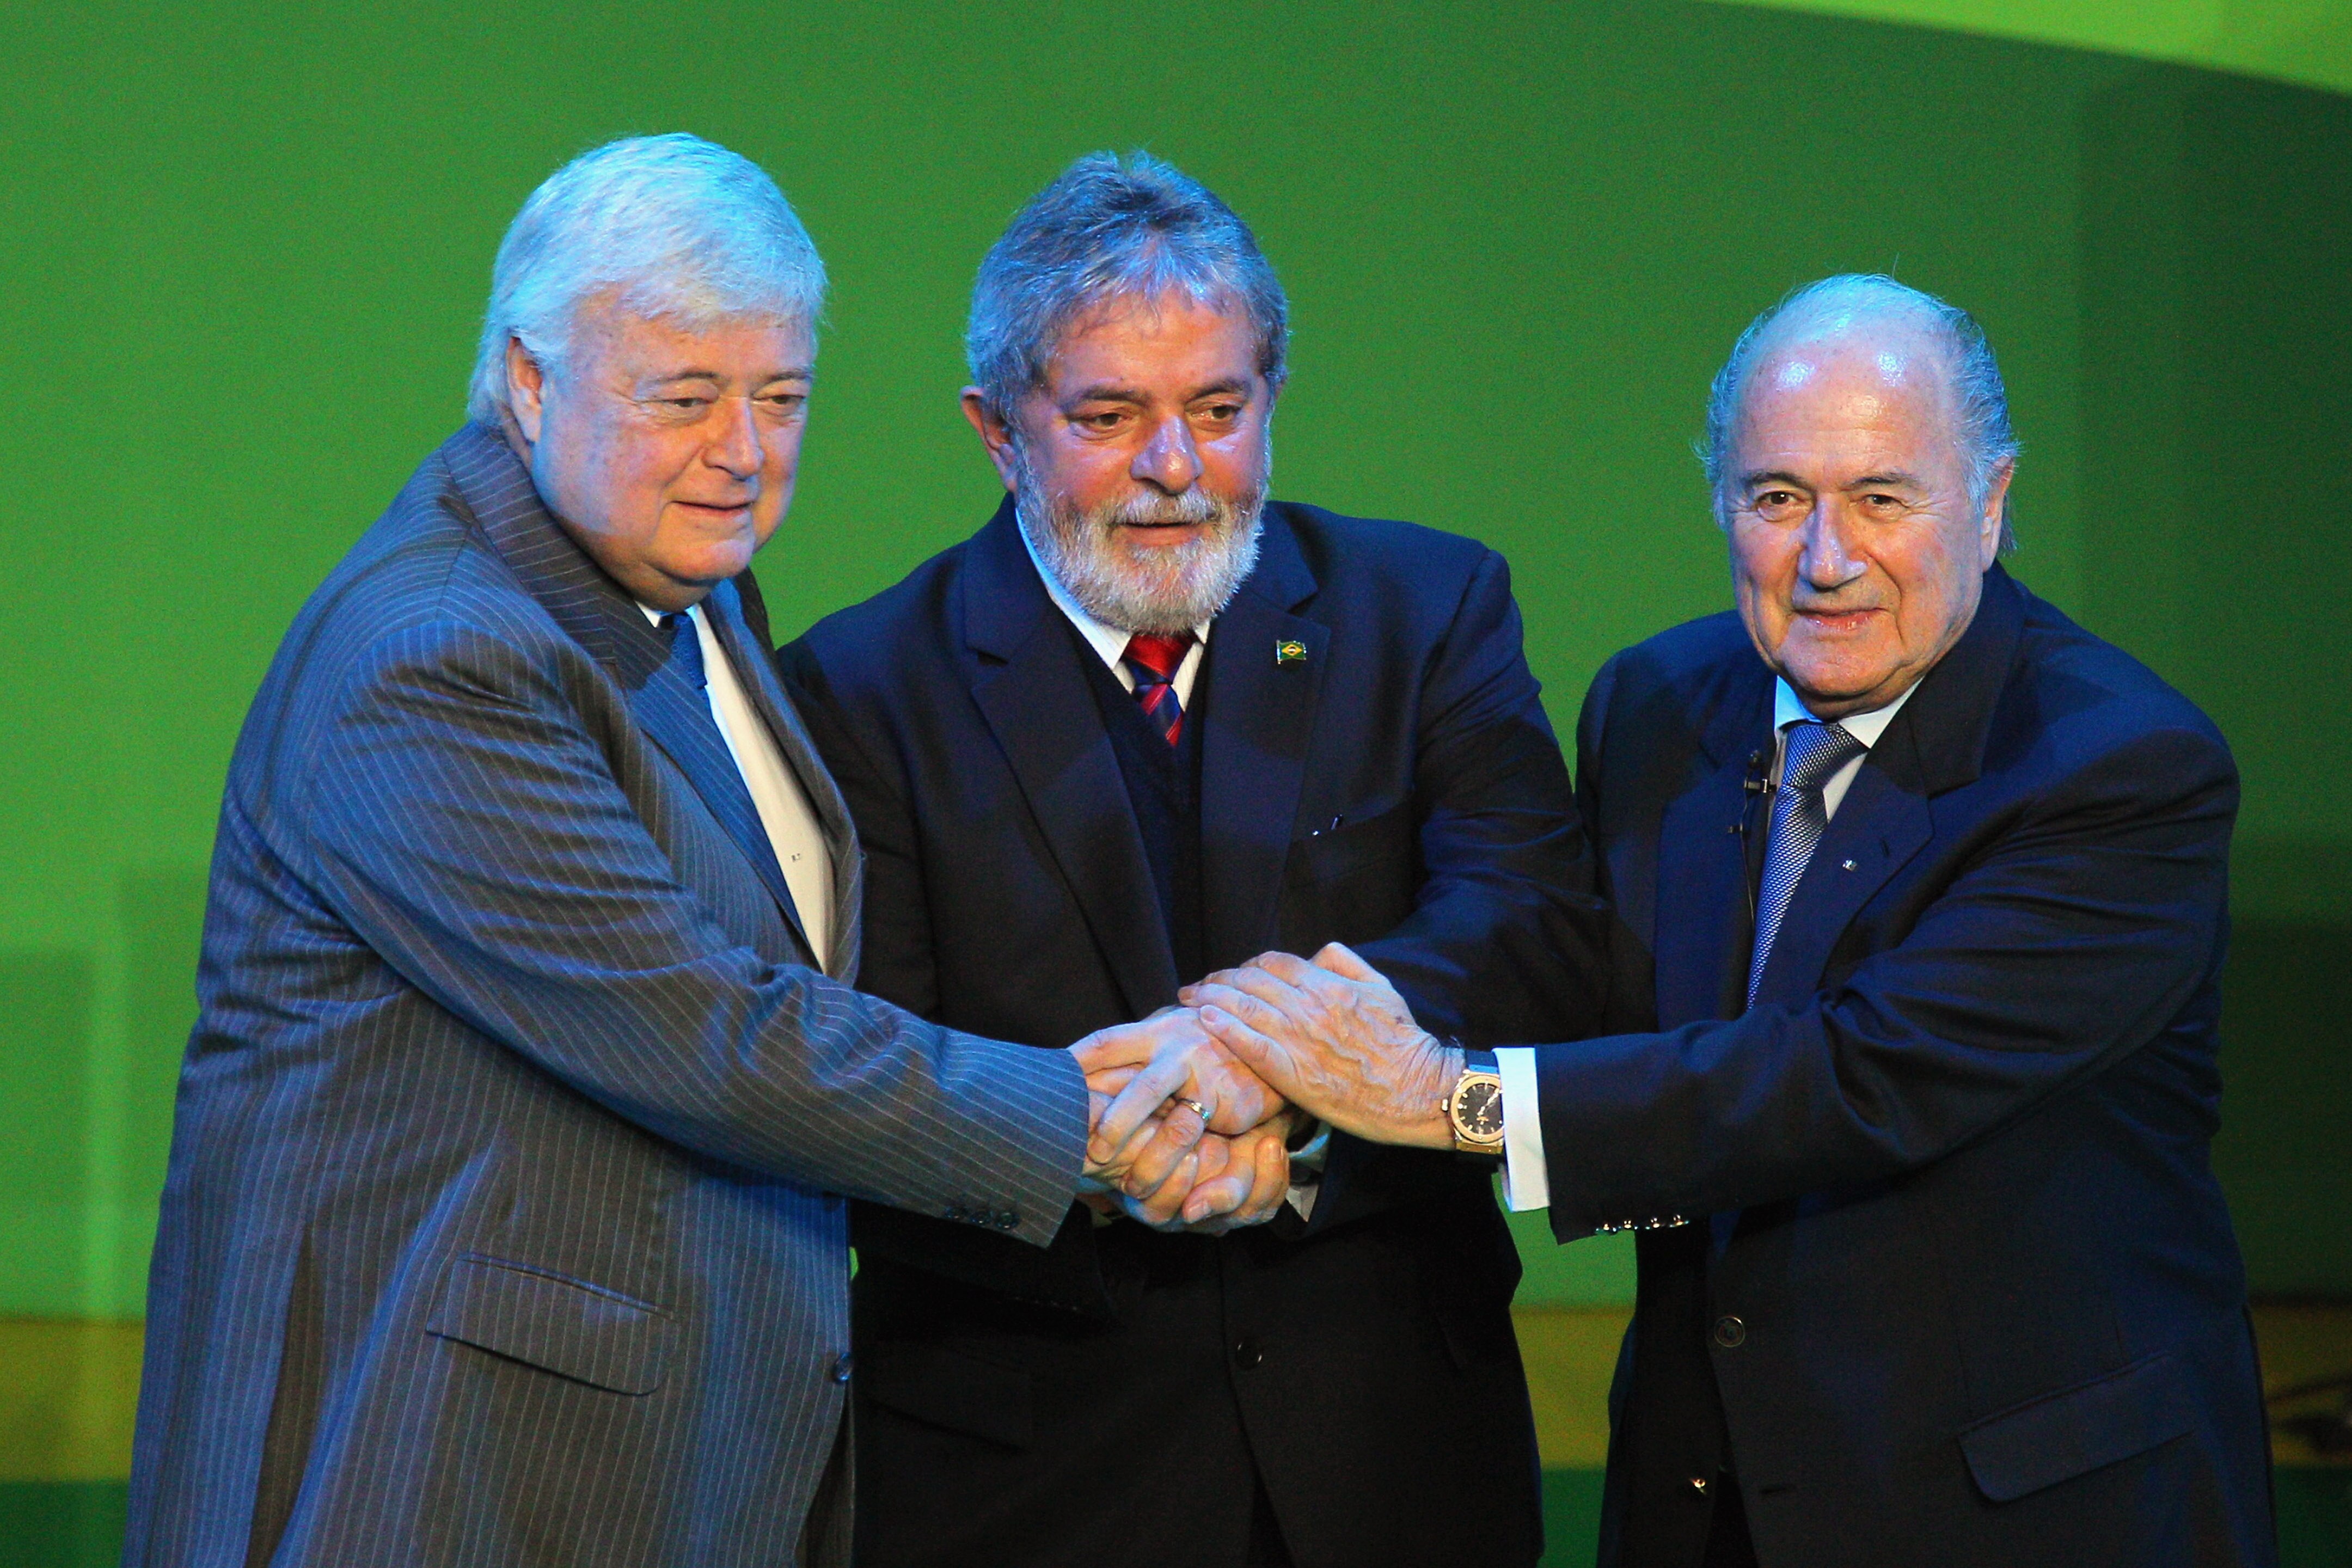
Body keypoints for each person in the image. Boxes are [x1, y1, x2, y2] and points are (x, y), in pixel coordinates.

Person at [123, 133, 1231, 1568]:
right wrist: (1084, 1117)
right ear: (531, 383)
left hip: (662, 1467)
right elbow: (708, 1032)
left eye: (782, 396)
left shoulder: (686, 590)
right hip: (450, 1482)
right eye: (686, 397)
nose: (745, 452)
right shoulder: (436, 652)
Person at [1188, 276, 2276, 1567]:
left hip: (2018, 1512)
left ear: (1990, 506)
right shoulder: (1659, 703)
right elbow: (1584, 999)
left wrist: (1442, 1094)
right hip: (1704, 1503)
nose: (1827, 559)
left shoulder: (2120, 768)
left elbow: (1854, 1074)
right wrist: (1280, 1103)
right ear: (1720, 502)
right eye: (1777, 499)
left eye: (1883, 498)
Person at [780, 152, 1606, 1567]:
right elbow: (850, 1072)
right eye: (1111, 418)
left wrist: (1268, 1070)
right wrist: (1102, 1150)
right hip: (1027, 1495)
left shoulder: (1428, 611)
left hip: (1396, 1471)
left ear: (1270, 404)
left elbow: (1534, 929)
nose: (1176, 470)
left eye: (1218, 413)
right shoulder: (856, 691)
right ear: (998, 431)